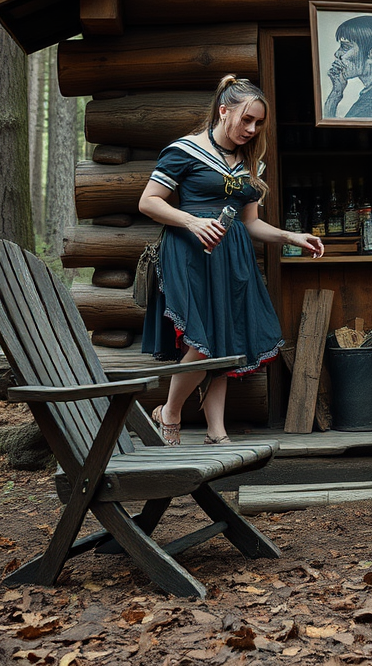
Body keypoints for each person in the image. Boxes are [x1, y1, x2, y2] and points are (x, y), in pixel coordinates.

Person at [139, 75, 324, 444]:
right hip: (188, 253)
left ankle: (216, 430)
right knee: (200, 340)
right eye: (246, 120)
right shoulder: (184, 150)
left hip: (231, 258)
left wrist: (290, 236)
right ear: (223, 111)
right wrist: (192, 220)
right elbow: (148, 202)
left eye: (258, 123)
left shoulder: (251, 164)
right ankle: (170, 413)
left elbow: (250, 223)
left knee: (224, 336)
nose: (252, 129)